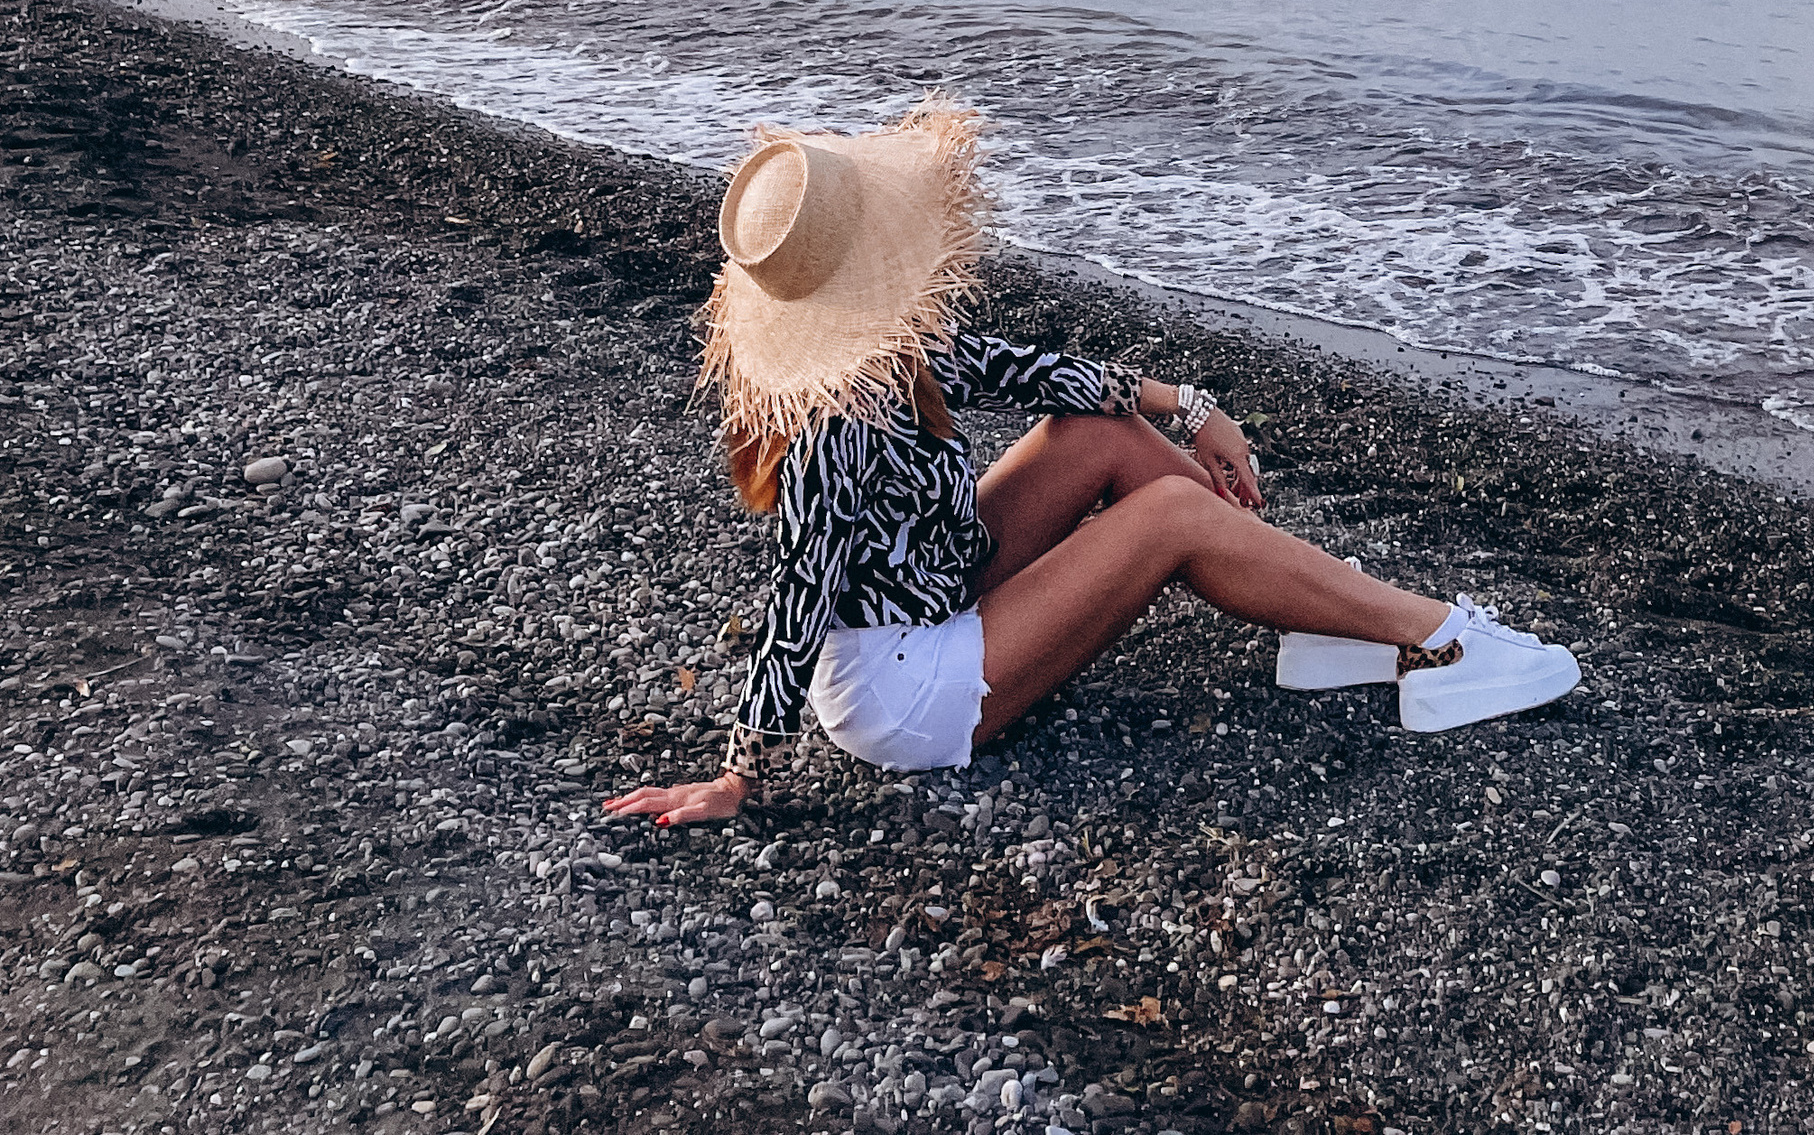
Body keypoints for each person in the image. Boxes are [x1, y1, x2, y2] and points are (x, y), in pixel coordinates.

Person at [603, 107, 1579, 827]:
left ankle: (1326, 622)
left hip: (932, 598)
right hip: (904, 697)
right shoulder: (833, 426)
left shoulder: (891, 351)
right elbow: (799, 596)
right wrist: (738, 774)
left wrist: (1191, 406)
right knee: (1168, 519)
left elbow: (1029, 372)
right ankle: (1439, 641)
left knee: (1095, 437)